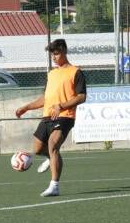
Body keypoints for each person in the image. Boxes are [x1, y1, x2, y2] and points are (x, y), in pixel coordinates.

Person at [15, 39, 87, 197]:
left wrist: (61, 106)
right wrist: (26, 107)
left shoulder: (76, 72)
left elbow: (82, 97)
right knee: (38, 149)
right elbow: (46, 99)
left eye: (56, 54)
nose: (54, 58)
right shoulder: (52, 74)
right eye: (52, 55)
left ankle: (54, 185)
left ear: (64, 52)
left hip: (65, 116)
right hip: (47, 116)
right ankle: (50, 158)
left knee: (53, 144)